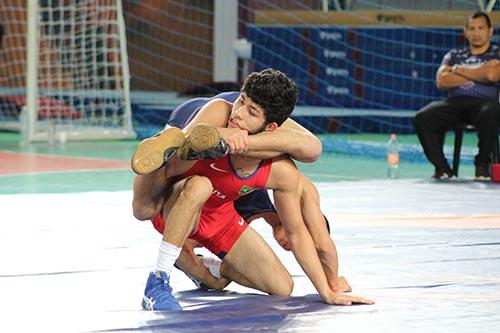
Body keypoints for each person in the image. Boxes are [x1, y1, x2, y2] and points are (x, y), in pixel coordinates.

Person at [132, 69, 374, 310]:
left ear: (271, 128)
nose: (237, 113)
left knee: (281, 286)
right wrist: (218, 135)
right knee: (173, 195)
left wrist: (328, 291)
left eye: (251, 111)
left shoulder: (283, 173)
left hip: (219, 212)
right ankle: (157, 283)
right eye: (240, 101)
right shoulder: (220, 111)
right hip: (180, 198)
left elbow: (300, 234)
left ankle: (207, 268)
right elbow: (172, 168)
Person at [414, 11, 500, 180]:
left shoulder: (497, 53)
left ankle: (482, 166)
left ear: (490, 31)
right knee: (423, 117)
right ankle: (444, 169)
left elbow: (492, 76)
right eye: (472, 29)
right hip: (455, 103)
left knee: (492, 110)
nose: (476, 33)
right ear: (465, 32)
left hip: (483, 105)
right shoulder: (453, 54)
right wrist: (481, 72)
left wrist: (459, 71)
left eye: (481, 28)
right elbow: (441, 80)